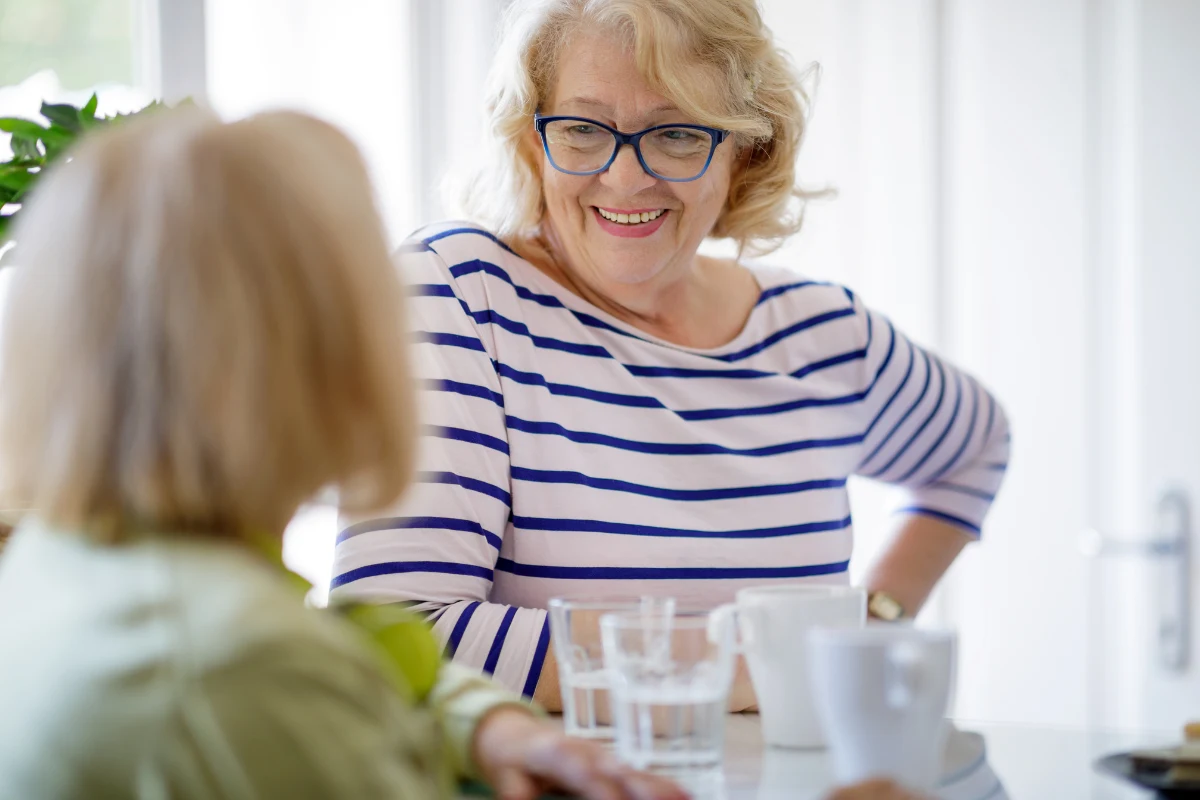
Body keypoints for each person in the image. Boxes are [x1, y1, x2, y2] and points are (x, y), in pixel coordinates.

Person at [331, 0, 1010, 710]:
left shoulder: (823, 336)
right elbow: (388, 637)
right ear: (533, 140)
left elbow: (977, 445)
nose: (626, 180)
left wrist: (874, 625)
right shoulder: (461, 294)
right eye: (584, 129)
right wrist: (762, 667)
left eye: (679, 134)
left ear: (746, 148)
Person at [0, 108, 683, 800]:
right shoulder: (235, 662)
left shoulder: (69, 561)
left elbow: (354, 646)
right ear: (329, 354)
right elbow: (286, 673)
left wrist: (485, 723)